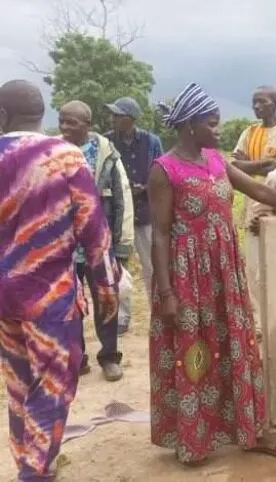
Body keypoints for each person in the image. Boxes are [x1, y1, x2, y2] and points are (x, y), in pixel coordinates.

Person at [148, 83, 276, 466]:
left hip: (225, 271)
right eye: (212, 124)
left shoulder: (216, 160)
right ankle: (194, 439)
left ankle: (252, 431)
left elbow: (257, 190)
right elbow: (162, 234)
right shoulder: (164, 170)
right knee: (194, 350)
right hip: (188, 275)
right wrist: (166, 292)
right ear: (189, 125)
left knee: (237, 346)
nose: (218, 131)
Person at [0, 80, 119, 481]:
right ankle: (33, 472)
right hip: (50, 298)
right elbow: (94, 229)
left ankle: (32, 463)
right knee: (52, 384)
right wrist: (106, 288)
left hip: (4, 298)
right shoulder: (64, 157)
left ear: (3, 116)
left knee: (18, 385)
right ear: (42, 114)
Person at [59, 100, 134, 381]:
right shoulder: (52, 152)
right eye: (62, 121)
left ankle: (110, 357)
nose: (65, 127)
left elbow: (122, 196)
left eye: (72, 122)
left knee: (106, 299)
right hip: (64, 245)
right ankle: (77, 358)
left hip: (98, 242)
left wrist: (123, 243)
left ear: (87, 125)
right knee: (68, 303)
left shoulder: (105, 153)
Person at [231, 85, 276, 332]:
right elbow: (235, 164)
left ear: (275, 104)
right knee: (253, 266)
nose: (257, 107)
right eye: (254, 102)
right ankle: (259, 323)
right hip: (251, 205)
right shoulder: (249, 132)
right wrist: (263, 165)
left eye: (262, 102)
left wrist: (252, 166)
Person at [105, 97, 164, 333]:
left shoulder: (151, 141)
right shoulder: (107, 141)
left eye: (118, 116)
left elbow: (163, 171)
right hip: (118, 216)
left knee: (153, 267)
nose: (114, 119)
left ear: (130, 119)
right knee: (120, 268)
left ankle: (158, 315)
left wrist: (146, 188)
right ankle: (121, 317)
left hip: (146, 212)